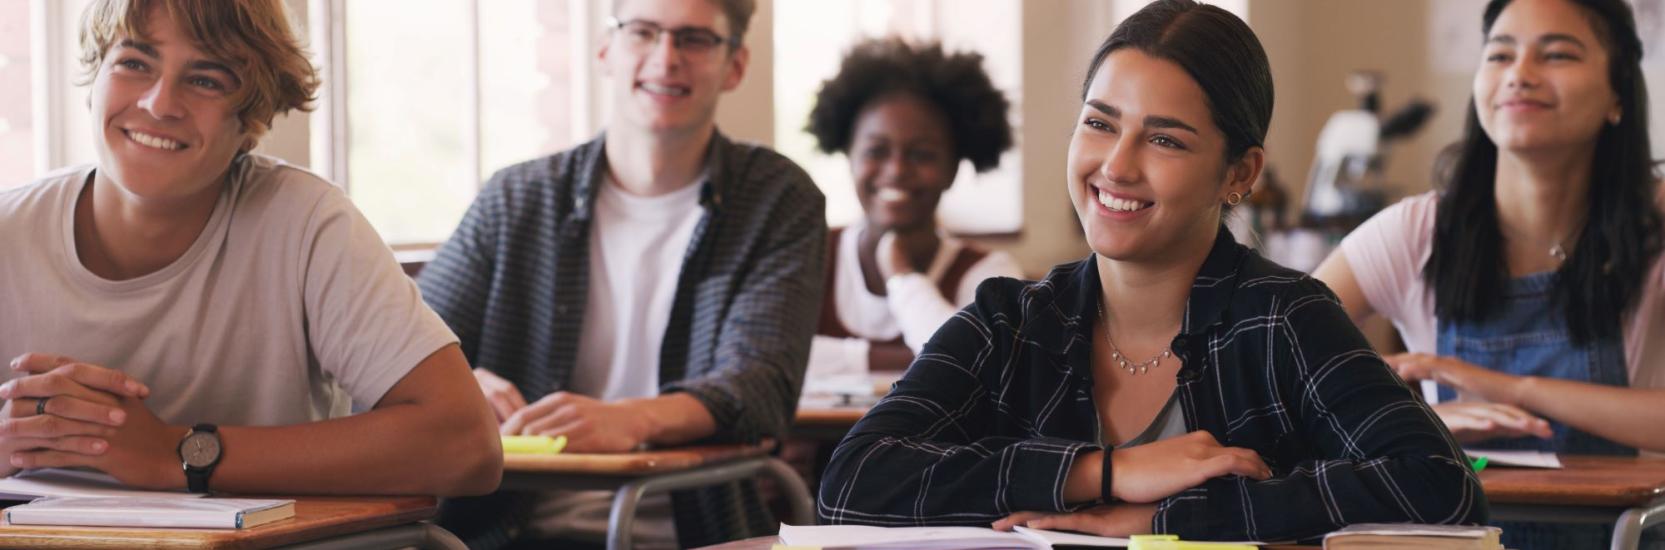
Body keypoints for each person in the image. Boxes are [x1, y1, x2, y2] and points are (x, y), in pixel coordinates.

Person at [817, 0, 1485, 543]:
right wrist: (1103, 472)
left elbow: (1440, 485)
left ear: (1239, 174)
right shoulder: (1009, 320)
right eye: (1100, 124)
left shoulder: (1283, 318)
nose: (1116, 166)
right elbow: (853, 479)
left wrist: (1171, 521)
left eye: (1164, 139)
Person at [0, 0, 501, 498]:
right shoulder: (9, 229)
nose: (159, 103)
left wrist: (173, 453)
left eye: (206, 79)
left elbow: (466, 445)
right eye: (134, 63)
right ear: (95, 80)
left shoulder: (308, 225)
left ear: (251, 122)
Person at [416, 0, 826, 547]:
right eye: (644, 32)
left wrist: (631, 419)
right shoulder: (516, 198)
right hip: (502, 531)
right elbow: (404, 349)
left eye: (695, 39)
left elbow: (762, 384)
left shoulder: (777, 198)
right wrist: (459, 383)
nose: (666, 57)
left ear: (736, 66)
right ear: (606, 50)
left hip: (696, 531)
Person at [1313, 0, 1665, 546]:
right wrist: (1409, 421)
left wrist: (1512, 389)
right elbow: (1272, 369)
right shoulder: (1416, 231)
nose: (1520, 76)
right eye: (1500, 55)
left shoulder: (1656, 226)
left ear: (1618, 92)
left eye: (1557, 54)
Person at [801, 38, 1024, 381]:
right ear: (850, 158)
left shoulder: (988, 275)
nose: (896, 170)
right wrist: (904, 357)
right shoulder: (810, 255)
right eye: (876, 151)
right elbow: (773, 357)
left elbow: (976, 367)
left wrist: (902, 275)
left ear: (953, 169)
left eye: (921, 155)